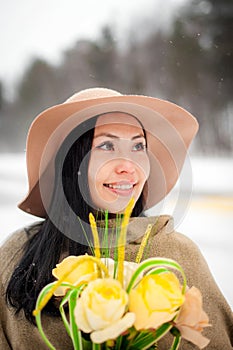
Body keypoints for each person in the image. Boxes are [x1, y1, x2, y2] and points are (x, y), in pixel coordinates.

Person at [0, 87, 232, 350]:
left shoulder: (178, 255)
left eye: (138, 146)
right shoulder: (15, 254)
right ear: (72, 161)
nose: (128, 165)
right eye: (107, 145)